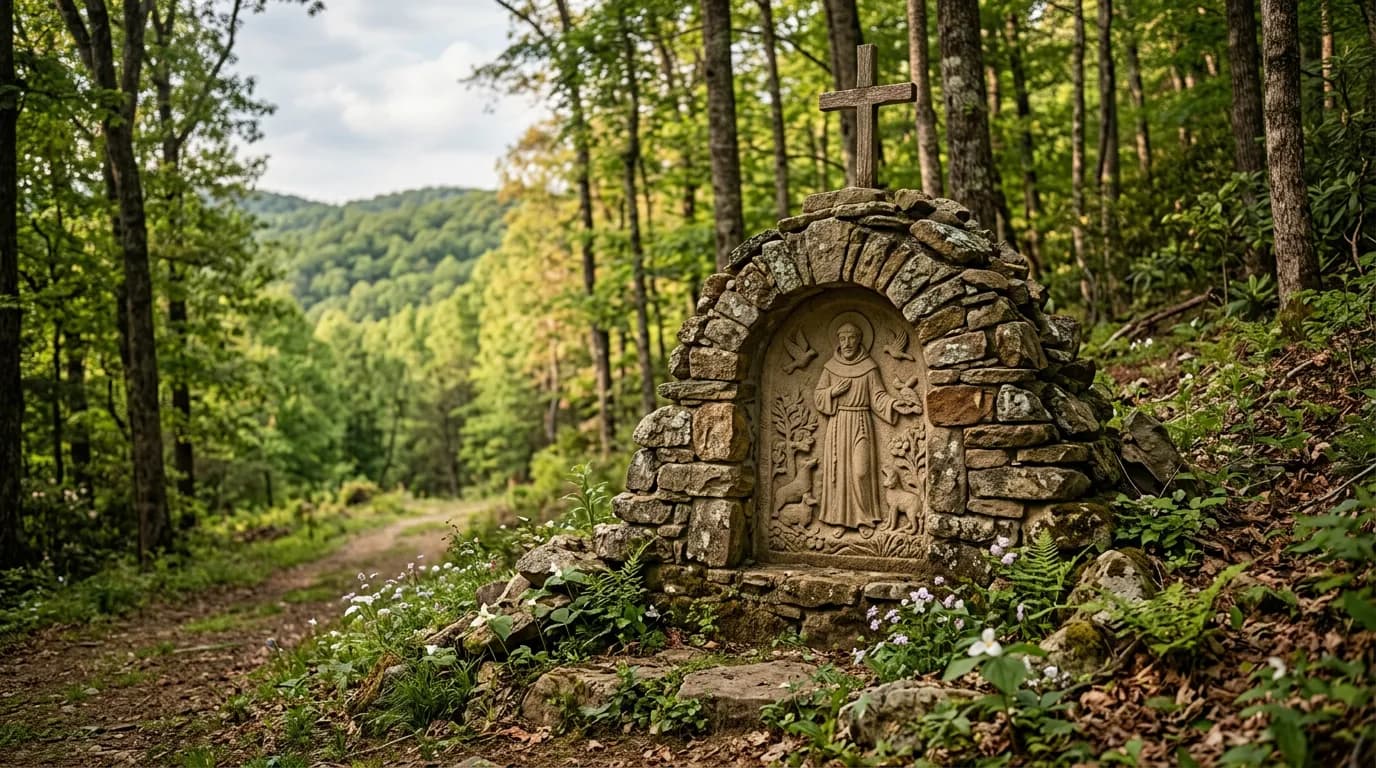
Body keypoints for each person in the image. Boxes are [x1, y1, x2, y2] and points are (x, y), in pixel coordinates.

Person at [813, 315, 919, 537]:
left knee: (861, 472)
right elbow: (818, 396)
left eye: (852, 338)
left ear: (860, 340)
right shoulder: (830, 368)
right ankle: (838, 519)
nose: (848, 343)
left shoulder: (869, 367)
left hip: (861, 422)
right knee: (839, 473)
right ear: (838, 341)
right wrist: (833, 392)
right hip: (838, 423)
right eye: (843, 338)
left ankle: (863, 517)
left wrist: (895, 403)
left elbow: (878, 396)